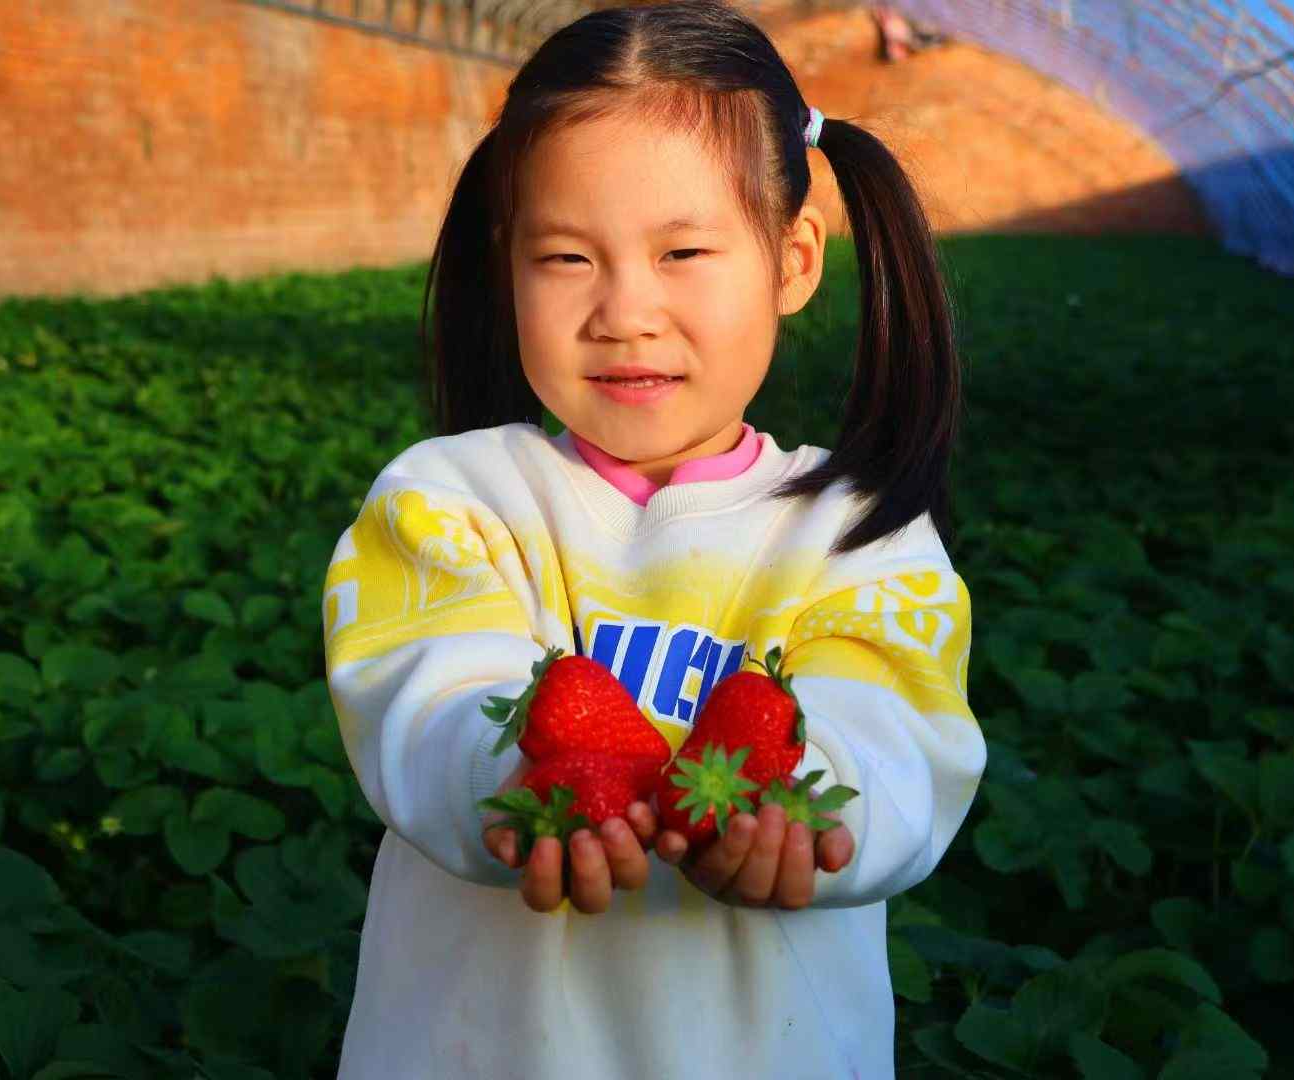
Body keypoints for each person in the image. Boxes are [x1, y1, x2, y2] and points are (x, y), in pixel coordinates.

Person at [320, 2, 983, 1076]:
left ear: (793, 260)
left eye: (683, 250)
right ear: (507, 267)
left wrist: (799, 806)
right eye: (568, 258)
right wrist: (528, 779)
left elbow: (900, 736)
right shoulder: (447, 503)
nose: (625, 311)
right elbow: (427, 693)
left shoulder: (858, 538)